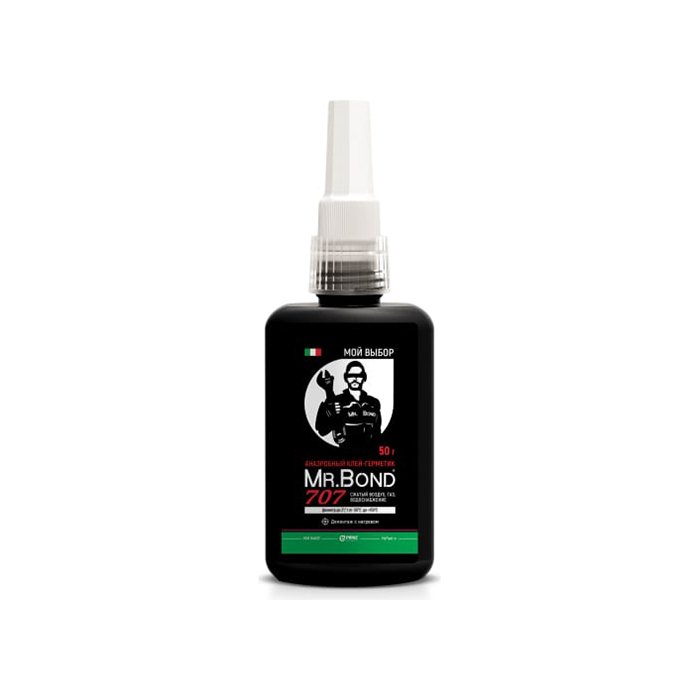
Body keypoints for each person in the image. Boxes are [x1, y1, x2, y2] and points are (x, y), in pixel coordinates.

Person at [315, 361, 382, 447]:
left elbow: (377, 430)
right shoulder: (336, 401)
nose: (355, 379)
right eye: (351, 376)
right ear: (345, 378)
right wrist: (328, 392)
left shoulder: (374, 403)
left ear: (364, 378)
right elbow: (322, 430)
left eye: (359, 376)